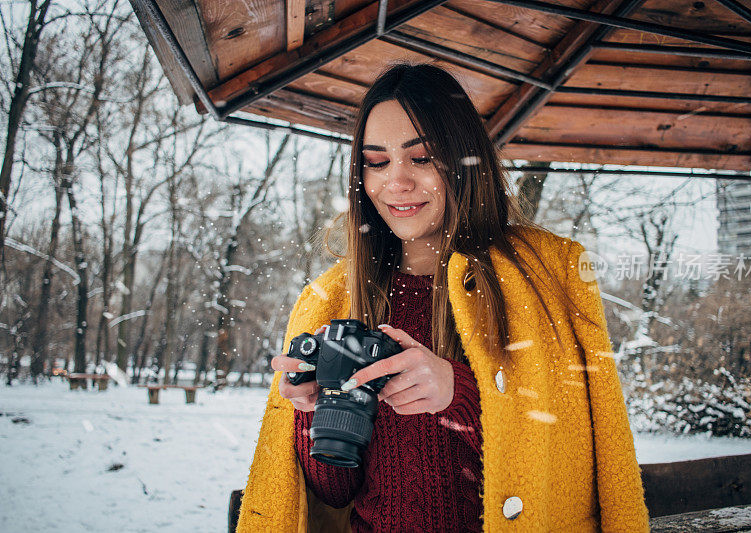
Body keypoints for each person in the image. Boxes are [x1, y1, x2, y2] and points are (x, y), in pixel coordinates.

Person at [235, 62, 650, 532]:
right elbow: (334, 494)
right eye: (376, 161)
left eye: (422, 157)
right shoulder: (331, 301)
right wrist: (315, 413)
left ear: (462, 157)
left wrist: (460, 394)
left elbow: (572, 452)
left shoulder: (546, 276)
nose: (396, 181)